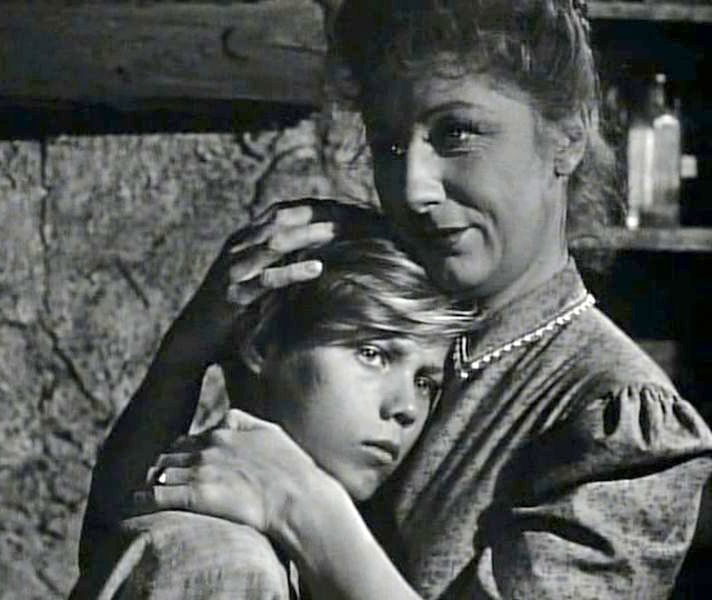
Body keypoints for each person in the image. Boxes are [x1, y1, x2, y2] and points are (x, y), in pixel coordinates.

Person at [80, 0, 712, 598]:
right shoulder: (365, 302)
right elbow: (126, 547)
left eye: (457, 133)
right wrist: (187, 355)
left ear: (567, 136)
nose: (413, 189)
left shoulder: (620, 425)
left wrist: (301, 504)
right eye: (388, 145)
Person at [72, 215, 474, 598]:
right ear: (263, 344)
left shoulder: (309, 553)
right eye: (372, 354)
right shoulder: (226, 562)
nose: (406, 407)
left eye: (425, 382)